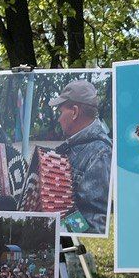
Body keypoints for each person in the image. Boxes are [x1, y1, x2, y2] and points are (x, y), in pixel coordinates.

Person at [48, 80, 112, 233]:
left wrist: (56, 230)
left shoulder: (100, 153)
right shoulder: (74, 146)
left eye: (61, 112)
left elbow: (93, 223)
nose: (58, 119)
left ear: (75, 112)